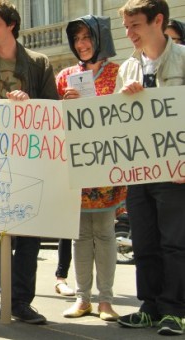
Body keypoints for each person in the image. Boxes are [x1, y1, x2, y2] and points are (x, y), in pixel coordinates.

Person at [0, 0, 59, 325]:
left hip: (29, 157)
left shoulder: (38, 63)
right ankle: (6, 296)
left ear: (11, 25)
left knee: (29, 231)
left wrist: (30, 104)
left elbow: (52, 109)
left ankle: (22, 300)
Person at [114, 0, 185, 336]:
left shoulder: (183, 59)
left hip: (176, 170)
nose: (129, 34)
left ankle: (175, 310)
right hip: (138, 169)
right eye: (126, 27)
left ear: (158, 20)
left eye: (135, 26)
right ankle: (150, 306)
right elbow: (113, 120)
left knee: (174, 242)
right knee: (144, 241)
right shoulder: (127, 68)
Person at [56, 15, 126, 322]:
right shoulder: (65, 76)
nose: (81, 44)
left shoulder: (120, 72)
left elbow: (127, 115)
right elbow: (53, 122)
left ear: (100, 39)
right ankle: (83, 299)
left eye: (87, 38)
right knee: (80, 236)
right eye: (77, 39)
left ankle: (106, 301)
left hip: (108, 165)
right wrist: (65, 105)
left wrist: (97, 101)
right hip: (75, 165)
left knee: (106, 234)